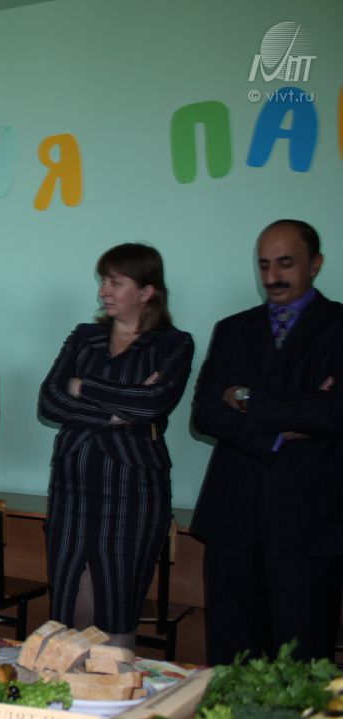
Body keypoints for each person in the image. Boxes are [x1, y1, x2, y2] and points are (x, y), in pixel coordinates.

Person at [192, 219, 343, 664]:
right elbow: (205, 413)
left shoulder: (339, 326)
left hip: (309, 522)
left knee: (302, 660)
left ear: (315, 264)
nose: (272, 276)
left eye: (285, 263)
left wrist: (247, 398)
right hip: (233, 516)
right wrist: (281, 430)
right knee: (231, 658)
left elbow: (333, 412)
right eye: (263, 265)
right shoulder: (233, 329)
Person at [38, 244, 193, 650]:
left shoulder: (173, 343)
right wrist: (113, 414)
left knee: (118, 604)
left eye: (115, 282)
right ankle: (70, 687)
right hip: (72, 487)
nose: (103, 291)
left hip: (133, 491)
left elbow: (152, 403)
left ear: (146, 291)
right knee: (68, 603)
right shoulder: (84, 336)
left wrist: (84, 386)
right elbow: (50, 399)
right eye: (103, 281)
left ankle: (114, 686)